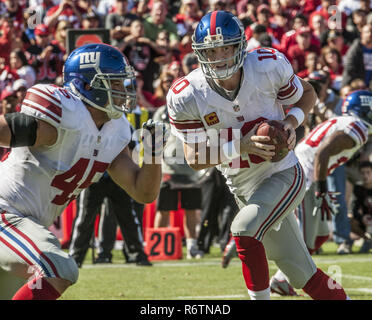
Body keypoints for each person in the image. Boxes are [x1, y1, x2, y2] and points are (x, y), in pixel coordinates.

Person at [167, 10, 349, 300]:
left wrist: (290, 123)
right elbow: (194, 158)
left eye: (226, 47)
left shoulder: (266, 65)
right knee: (302, 273)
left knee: (242, 230)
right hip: (243, 186)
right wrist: (242, 145)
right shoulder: (187, 94)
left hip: (283, 174)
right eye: (211, 50)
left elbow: (308, 93)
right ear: (200, 53)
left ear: (240, 46)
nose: (219, 56)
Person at [0, 43, 166, 300]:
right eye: (115, 83)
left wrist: (154, 153)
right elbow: (7, 130)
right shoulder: (64, 111)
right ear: (87, 85)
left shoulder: (116, 129)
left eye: (123, 82)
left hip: (26, 226)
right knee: (60, 269)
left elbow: (142, 192)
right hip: (5, 214)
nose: (124, 90)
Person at [270, 89, 372, 295]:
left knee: (322, 234)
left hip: (304, 172)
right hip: (306, 179)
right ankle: (281, 281)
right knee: (306, 241)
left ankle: (281, 279)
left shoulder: (344, 121)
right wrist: (322, 188)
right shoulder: (357, 128)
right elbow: (323, 152)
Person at [349, 161, 372, 253]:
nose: (365, 176)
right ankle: (368, 240)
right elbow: (353, 209)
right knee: (348, 219)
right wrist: (362, 218)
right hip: (366, 221)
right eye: (362, 173)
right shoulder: (358, 189)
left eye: (368, 172)